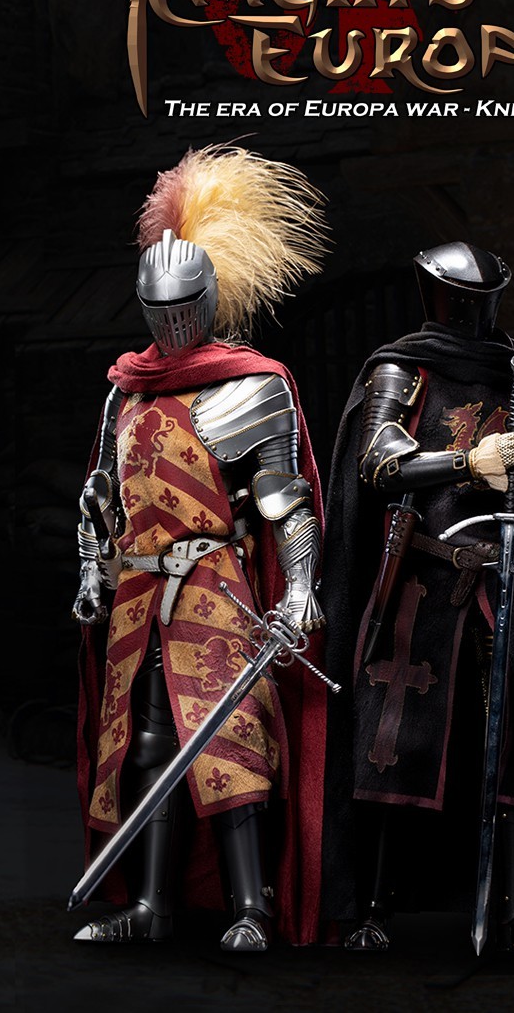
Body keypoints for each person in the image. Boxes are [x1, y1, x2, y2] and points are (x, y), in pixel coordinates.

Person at [321, 241, 514, 955]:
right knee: (395, 745)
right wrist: (468, 461)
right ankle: (373, 906)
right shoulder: (403, 369)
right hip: (428, 585)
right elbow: (379, 463)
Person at [72, 145, 329, 950]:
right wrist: (91, 571)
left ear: (209, 298)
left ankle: (252, 908)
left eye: (184, 306)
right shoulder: (125, 389)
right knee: (146, 745)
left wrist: (300, 588)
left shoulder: (251, 384)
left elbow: (285, 499)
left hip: (213, 584)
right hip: (137, 590)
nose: (172, 322)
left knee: (229, 736)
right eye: (160, 308)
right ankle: (152, 906)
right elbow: (102, 496)